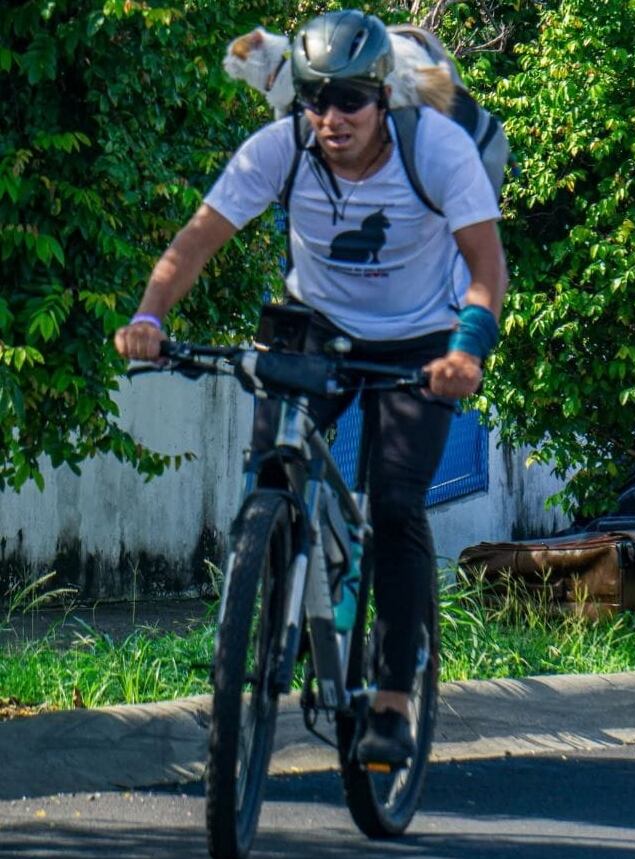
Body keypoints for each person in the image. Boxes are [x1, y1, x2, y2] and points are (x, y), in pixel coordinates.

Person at [115, 9, 508, 767]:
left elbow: (486, 269)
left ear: (384, 95)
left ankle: (394, 692)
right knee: (270, 471)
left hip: (423, 340)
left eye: (350, 100)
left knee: (396, 503)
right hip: (315, 326)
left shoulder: (439, 151)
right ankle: (273, 591)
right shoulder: (281, 148)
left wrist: (467, 348)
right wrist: (148, 316)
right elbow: (196, 239)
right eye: (315, 100)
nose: (331, 118)